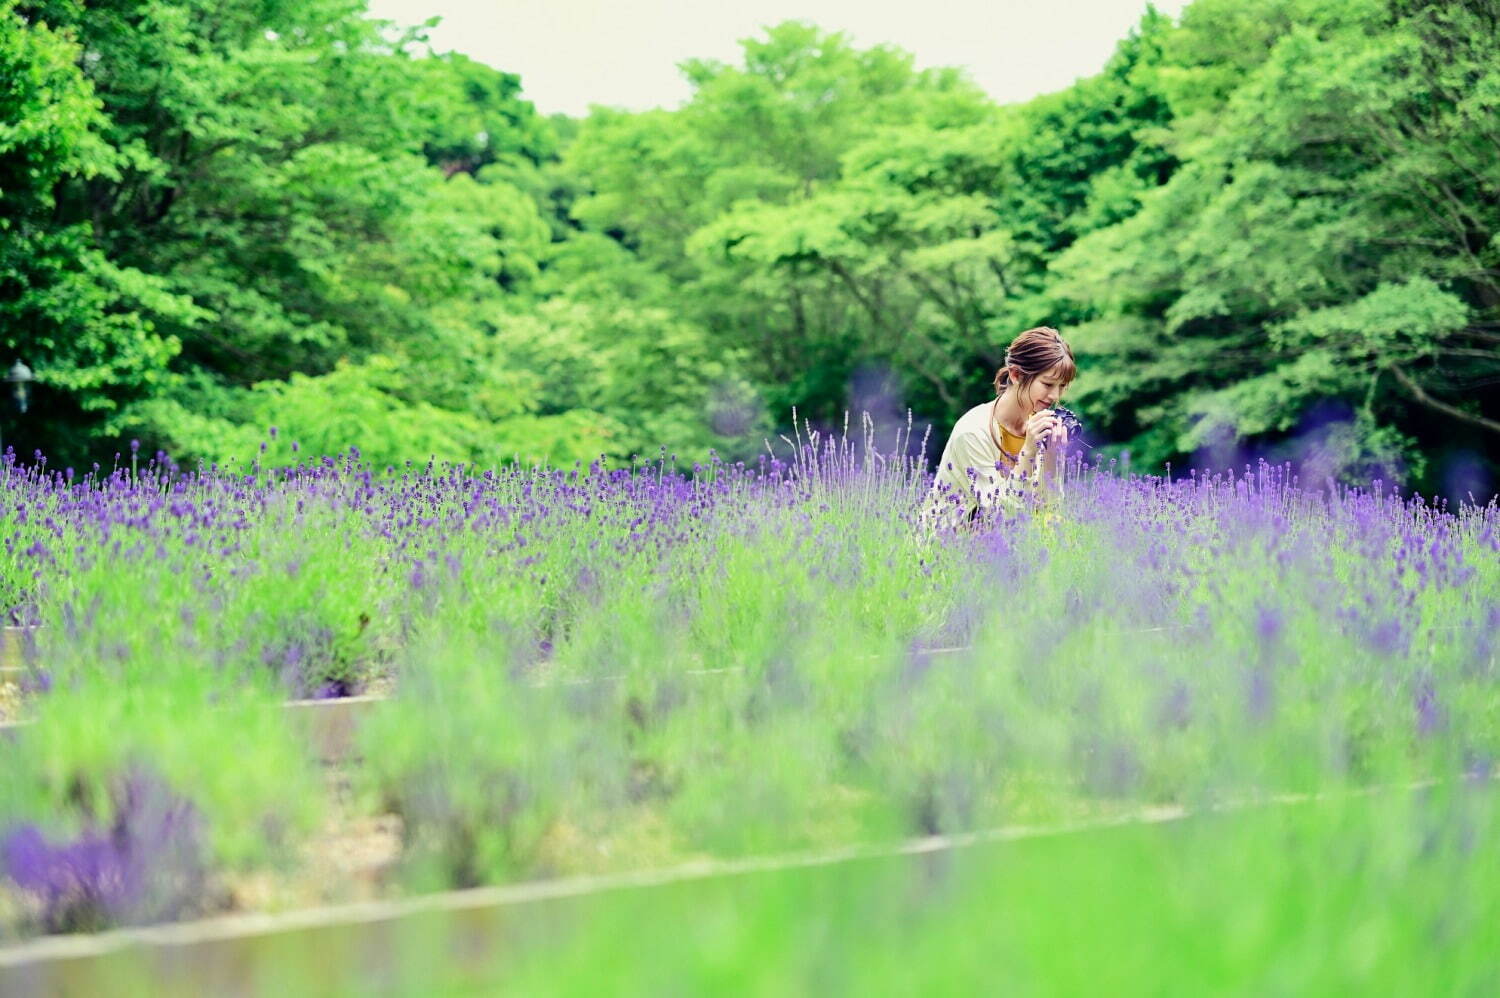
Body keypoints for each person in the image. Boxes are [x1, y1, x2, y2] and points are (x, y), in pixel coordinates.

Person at [922, 326, 1081, 529]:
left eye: (1062, 387)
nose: (1055, 397)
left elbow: (1048, 509)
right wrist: (1029, 451)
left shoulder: (1038, 425)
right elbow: (1002, 516)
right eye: (1048, 384)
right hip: (952, 545)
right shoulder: (973, 431)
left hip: (1012, 544)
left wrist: (1051, 455)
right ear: (1016, 375)